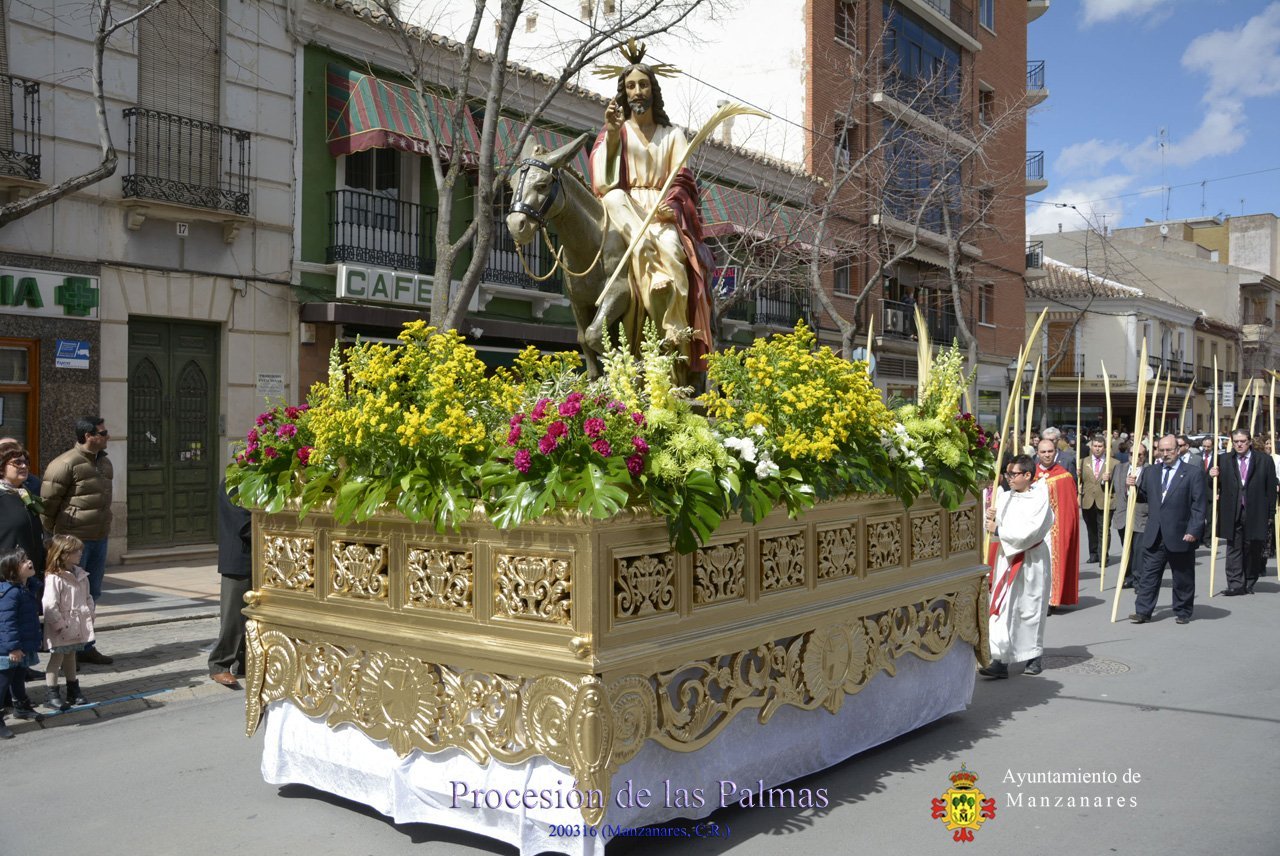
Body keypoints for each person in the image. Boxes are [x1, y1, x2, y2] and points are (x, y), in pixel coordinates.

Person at [589, 50, 714, 373]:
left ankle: (673, 327)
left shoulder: (672, 135)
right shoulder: (615, 131)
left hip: (660, 211)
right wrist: (612, 133)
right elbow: (603, 182)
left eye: (643, 85)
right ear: (624, 92)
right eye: (631, 86)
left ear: (653, 90)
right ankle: (642, 248)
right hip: (626, 210)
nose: (637, 92)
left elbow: (684, 181)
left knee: (672, 249)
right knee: (614, 198)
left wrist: (672, 206)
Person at [40, 416, 114, 666]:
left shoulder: (105, 463)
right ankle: (66, 649)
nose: (107, 436)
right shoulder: (64, 464)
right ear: (87, 436)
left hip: (99, 537)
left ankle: (86, 645)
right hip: (74, 540)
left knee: (92, 594)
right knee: (68, 598)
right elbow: (48, 504)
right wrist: (55, 537)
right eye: (102, 433)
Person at [979, 455, 1054, 679]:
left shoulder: (1040, 498)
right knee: (1003, 609)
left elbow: (1028, 532)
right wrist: (991, 518)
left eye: (1013, 474)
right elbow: (994, 529)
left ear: (1028, 475)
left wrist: (999, 529)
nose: (1008, 478)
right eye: (1007, 473)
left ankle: (1033, 656)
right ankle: (1000, 660)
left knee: (1030, 608)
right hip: (1007, 559)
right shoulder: (1003, 497)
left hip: (1031, 560)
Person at [1127, 434, 1207, 624]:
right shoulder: (1151, 472)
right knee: (1149, 575)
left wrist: (1193, 530)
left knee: (1182, 576)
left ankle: (1183, 611)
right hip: (1155, 534)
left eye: (1169, 450)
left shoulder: (1193, 473)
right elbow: (1144, 497)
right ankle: (1143, 611)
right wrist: (1132, 487)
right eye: (1161, 450)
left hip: (1181, 534)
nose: (1165, 454)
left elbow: (1199, 505)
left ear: (1178, 450)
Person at [1209, 429, 1277, 596]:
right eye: (1236, 441)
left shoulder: (1264, 460)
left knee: (1253, 547)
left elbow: (1270, 488)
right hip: (1232, 510)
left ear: (1249, 442)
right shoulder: (1223, 459)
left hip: (1256, 511)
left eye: (1242, 441)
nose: (1239, 444)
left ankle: (1249, 580)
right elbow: (1212, 486)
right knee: (1233, 547)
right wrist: (1211, 475)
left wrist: (1270, 513)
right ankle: (1235, 584)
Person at [42, 534, 94, 711]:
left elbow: (88, 597)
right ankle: (52, 693)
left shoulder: (81, 575)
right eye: (76, 551)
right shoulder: (54, 578)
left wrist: (90, 613)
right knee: (57, 658)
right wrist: (59, 625)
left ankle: (73, 689)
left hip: (77, 625)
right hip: (62, 628)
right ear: (64, 554)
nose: (80, 553)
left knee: (71, 655)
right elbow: (49, 605)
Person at [209, 480, 252, 690]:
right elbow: (243, 522)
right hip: (238, 558)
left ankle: (244, 662)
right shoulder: (233, 482)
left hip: (261, 557)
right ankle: (219, 664)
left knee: (254, 616)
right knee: (233, 616)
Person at [0, 547, 44, 736]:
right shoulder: (11, 593)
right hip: (9, 648)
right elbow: (6, 623)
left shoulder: (24, 588)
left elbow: (36, 586)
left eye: (27, 558)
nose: (29, 561)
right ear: (12, 570)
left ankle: (21, 706)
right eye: (23, 561)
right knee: (3, 682)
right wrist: (13, 647)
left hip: (21, 646)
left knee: (18, 677)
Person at [1033, 438, 1081, 607]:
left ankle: (1049, 599)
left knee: (1051, 563)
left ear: (1055, 452)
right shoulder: (1029, 474)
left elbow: (1069, 507)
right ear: (1037, 453)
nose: (1047, 455)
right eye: (1043, 452)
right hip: (1034, 528)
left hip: (1053, 529)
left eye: (1050, 451)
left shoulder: (1064, 476)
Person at [1111, 443, 1148, 588]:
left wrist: (1134, 486)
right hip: (1123, 515)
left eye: (1139, 454)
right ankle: (1129, 576)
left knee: (1139, 550)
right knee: (1127, 549)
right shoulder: (1119, 468)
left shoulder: (1150, 470)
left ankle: (1140, 580)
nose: (1135, 457)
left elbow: (1149, 493)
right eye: (1132, 454)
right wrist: (1104, 480)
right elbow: (1111, 488)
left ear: (1145, 456)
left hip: (1141, 516)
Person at [1078, 435, 1116, 564]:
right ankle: (1093, 554)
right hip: (1088, 500)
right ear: (1091, 447)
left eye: (1100, 446)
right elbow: (1079, 481)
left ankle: (1103, 556)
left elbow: (1118, 484)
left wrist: (1109, 480)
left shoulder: (1113, 463)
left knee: (1103, 530)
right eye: (1095, 446)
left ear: (1105, 448)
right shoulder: (1082, 462)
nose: (1097, 449)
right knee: (1091, 529)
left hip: (1105, 500)